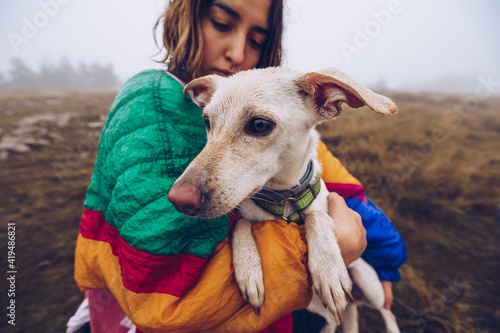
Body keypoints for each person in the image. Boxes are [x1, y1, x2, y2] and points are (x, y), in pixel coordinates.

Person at [68, 0, 406, 332]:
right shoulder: (155, 100)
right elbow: (161, 294)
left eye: (257, 41)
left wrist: (387, 256)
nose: (238, 54)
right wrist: (312, 245)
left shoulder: (290, 120)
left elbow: (343, 187)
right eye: (221, 23)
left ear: (326, 101)